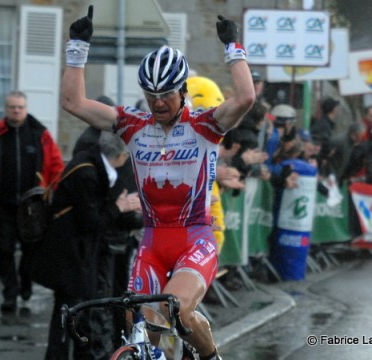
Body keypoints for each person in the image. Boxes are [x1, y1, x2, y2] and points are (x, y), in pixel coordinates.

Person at [61, 5, 255, 359]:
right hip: (151, 241)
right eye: (150, 94)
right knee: (142, 329)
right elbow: (73, 102)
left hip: (195, 237)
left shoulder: (205, 125)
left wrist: (233, 48)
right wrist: (77, 46)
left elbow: (245, 99)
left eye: (165, 94)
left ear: (182, 90)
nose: (157, 102)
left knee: (177, 311)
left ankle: (211, 357)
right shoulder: (132, 124)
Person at [33, 131, 140, 360]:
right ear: (120, 156)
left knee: (76, 308)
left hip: (75, 251)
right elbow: (91, 222)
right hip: (70, 253)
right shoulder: (87, 173)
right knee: (70, 310)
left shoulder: (89, 162)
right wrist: (119, 207)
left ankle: (75, 354)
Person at [0, 90, 64, 313]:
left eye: (20, 107)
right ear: (6, 109)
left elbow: (56, 167)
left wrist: (50, 193)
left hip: (32, 209)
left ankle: (25, 280)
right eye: (12, 107)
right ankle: (10, 293)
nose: (16, 111)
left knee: (31, 251)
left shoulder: (40, 135)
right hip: (2, 206)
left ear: (26, 108)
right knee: (4, 251)